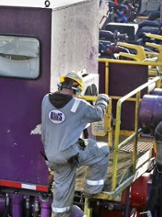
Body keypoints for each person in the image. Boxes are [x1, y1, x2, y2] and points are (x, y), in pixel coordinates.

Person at [41, 71, 110, 217]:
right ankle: (92, 190)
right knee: (103, 150)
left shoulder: (46, 100)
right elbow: (98, 114)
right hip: (69, 155)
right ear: (77, 90)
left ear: (61, 85)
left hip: (51, 157)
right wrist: (103, 99)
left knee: (62, 194)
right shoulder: (79, 105)